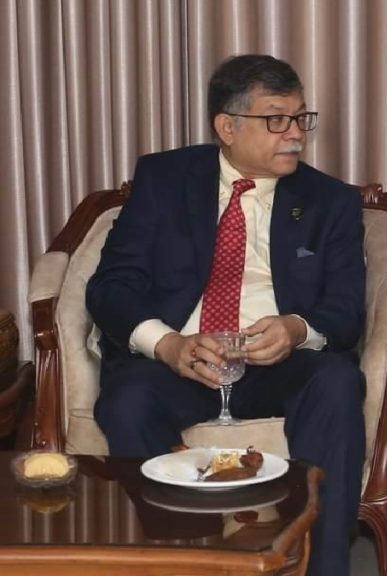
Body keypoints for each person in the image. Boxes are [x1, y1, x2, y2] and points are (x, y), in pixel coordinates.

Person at [86, 54, 365, 576]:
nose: (296, 134)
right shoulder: (164, 179)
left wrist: (296, 329)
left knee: (337, 381)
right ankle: (183, 562)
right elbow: (112, 287)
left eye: (300, 117)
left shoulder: (331, 201)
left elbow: (347, 310)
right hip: (183, 360)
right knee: (127, 399)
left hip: (278, 365)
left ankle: (324, 568)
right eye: (276, 119)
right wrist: (168, 344)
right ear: (227, 127)